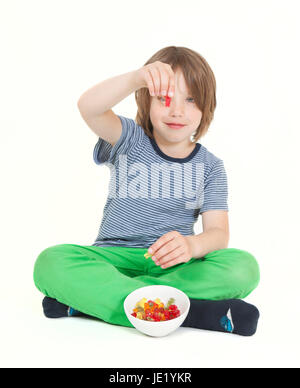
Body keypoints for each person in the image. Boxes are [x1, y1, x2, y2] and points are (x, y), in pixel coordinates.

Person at [33, 46, 260, 336]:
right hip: (113, 261)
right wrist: (134, 79)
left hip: (173, 268)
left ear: (206, 107)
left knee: (244, 266)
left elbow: (218, 234)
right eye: (164, 98)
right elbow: (89, 107)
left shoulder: (211, 166)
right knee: (51, 262)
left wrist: (191, 246)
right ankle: (190, 312)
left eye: (190, 99)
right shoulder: (128, 139)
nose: (177, 110)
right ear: (146, 101)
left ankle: (97, 302)